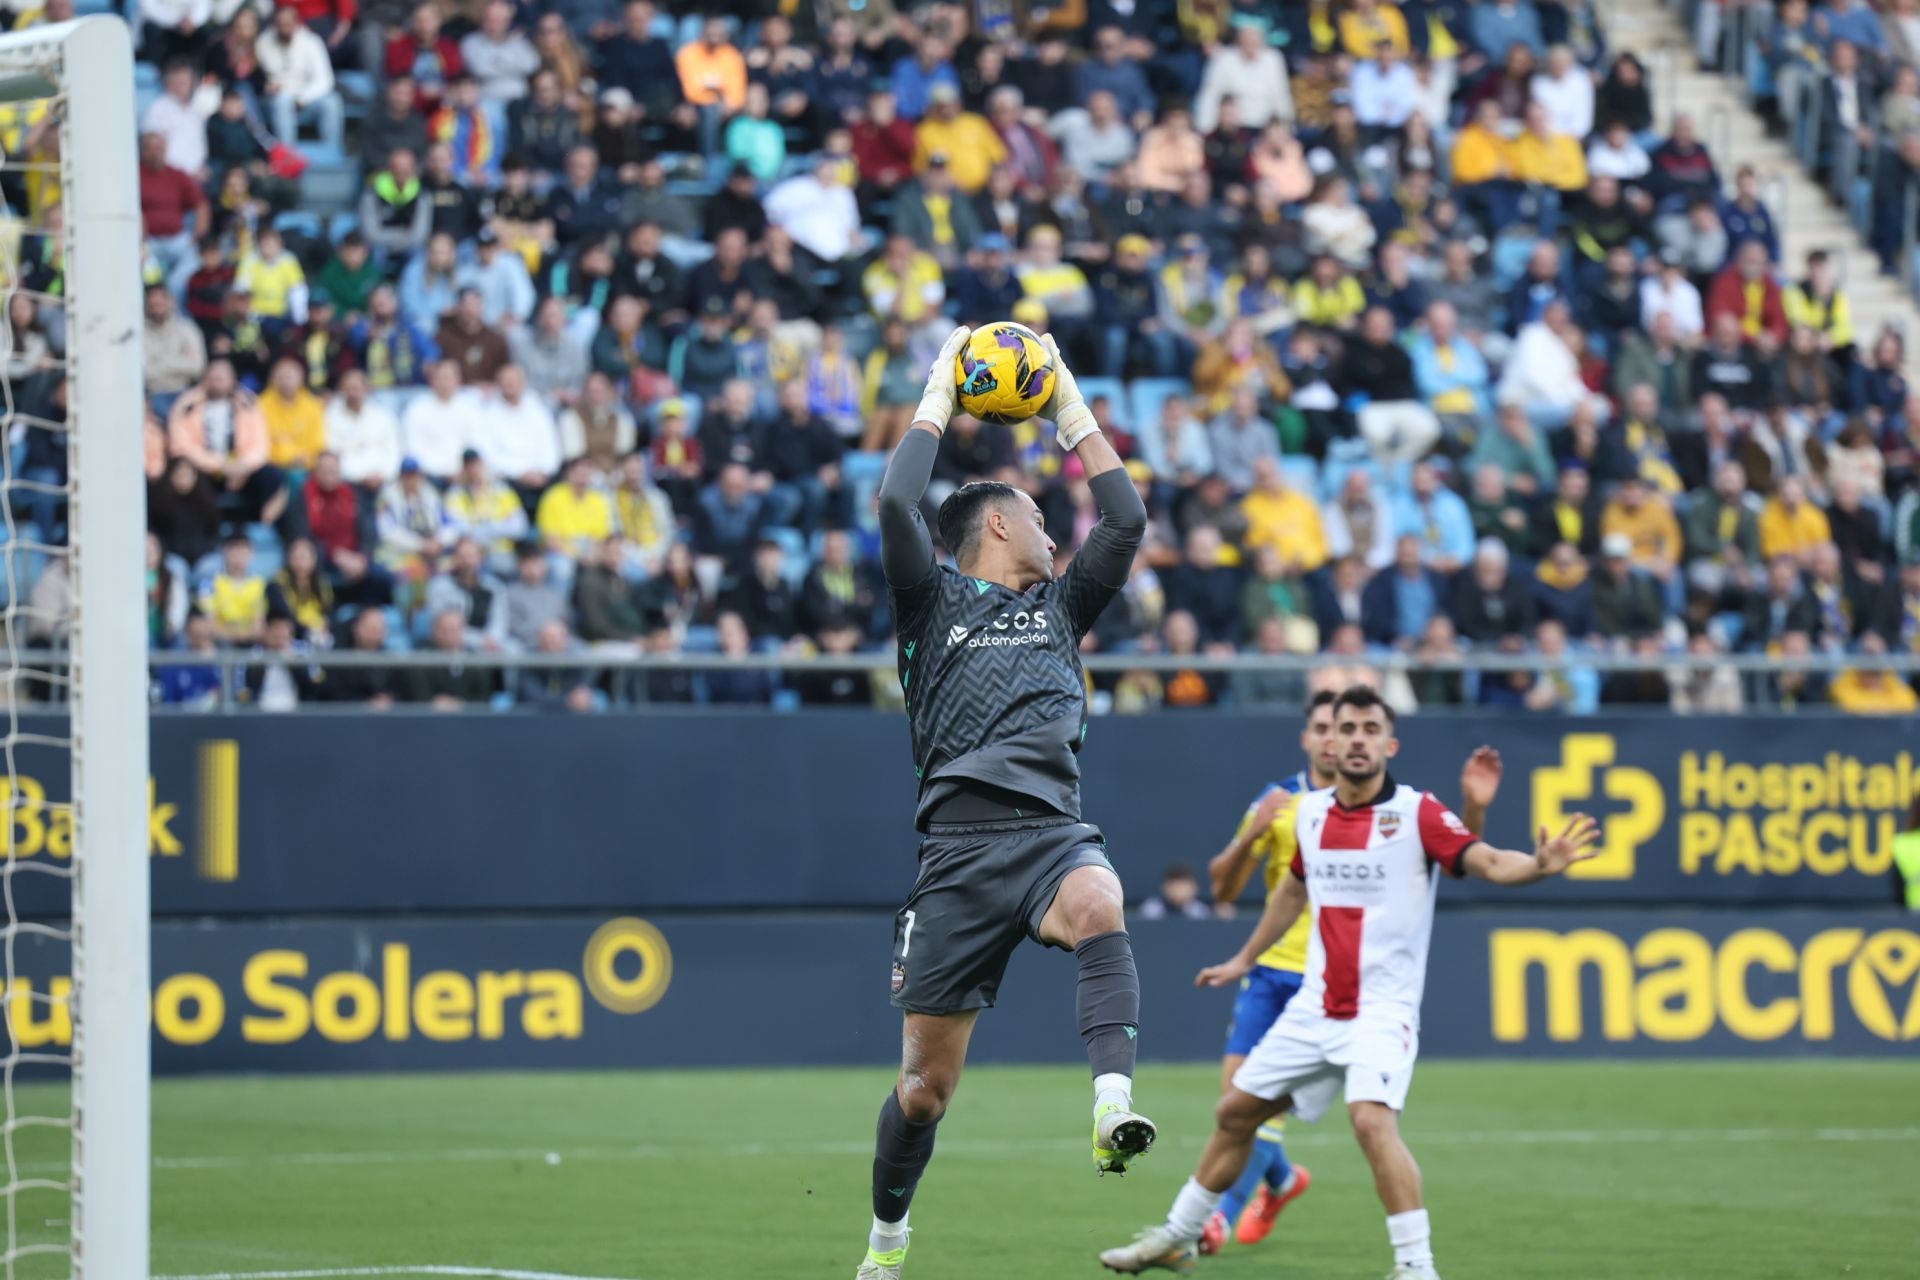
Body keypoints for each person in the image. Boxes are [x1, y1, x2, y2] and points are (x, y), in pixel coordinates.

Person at [1099, 686, 1600, 1279]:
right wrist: (1244, 958)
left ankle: (1416, 1267)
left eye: (1370, 729)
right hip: (1315, 1007)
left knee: (1370, 1120)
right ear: (1329, 742)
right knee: (1235, 1113)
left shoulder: (1417, 813)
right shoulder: (1309, 813)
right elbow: (1291, 893)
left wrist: (1538, 864)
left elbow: (1486, 861)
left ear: (1390, 745)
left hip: (1381, 1011)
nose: (1358, 739)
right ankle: (1178, 1237)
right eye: (1348, 729)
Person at [855, 327, 1150, 1280]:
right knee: (923, 1092)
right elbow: (895, 501)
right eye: (1035, 518)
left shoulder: (1062, 608)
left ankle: (1112, 1107)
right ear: (992, 527)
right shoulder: (929, 604)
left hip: (1052, 836)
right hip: (957, 856)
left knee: (1101, 900)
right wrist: (941, 387)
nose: (1054, 536)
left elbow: (1126, 517)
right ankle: (887, 1241)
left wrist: (1067, 400)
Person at [1199, 706, 1504, 1256]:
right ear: (1310, 739)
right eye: (1324, 730)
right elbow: (1223, 888)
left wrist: (1476, 814)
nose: (1333, 740)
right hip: (1272, 971)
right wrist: (1253, 835)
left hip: (1340, 982)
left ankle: (1216, 1218)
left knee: (1292, 1114)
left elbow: (1461, 857)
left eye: (1349, 729)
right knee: (1239, 1105)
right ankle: (1281, 1181)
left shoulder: (1396, 812)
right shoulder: (1284, 803)